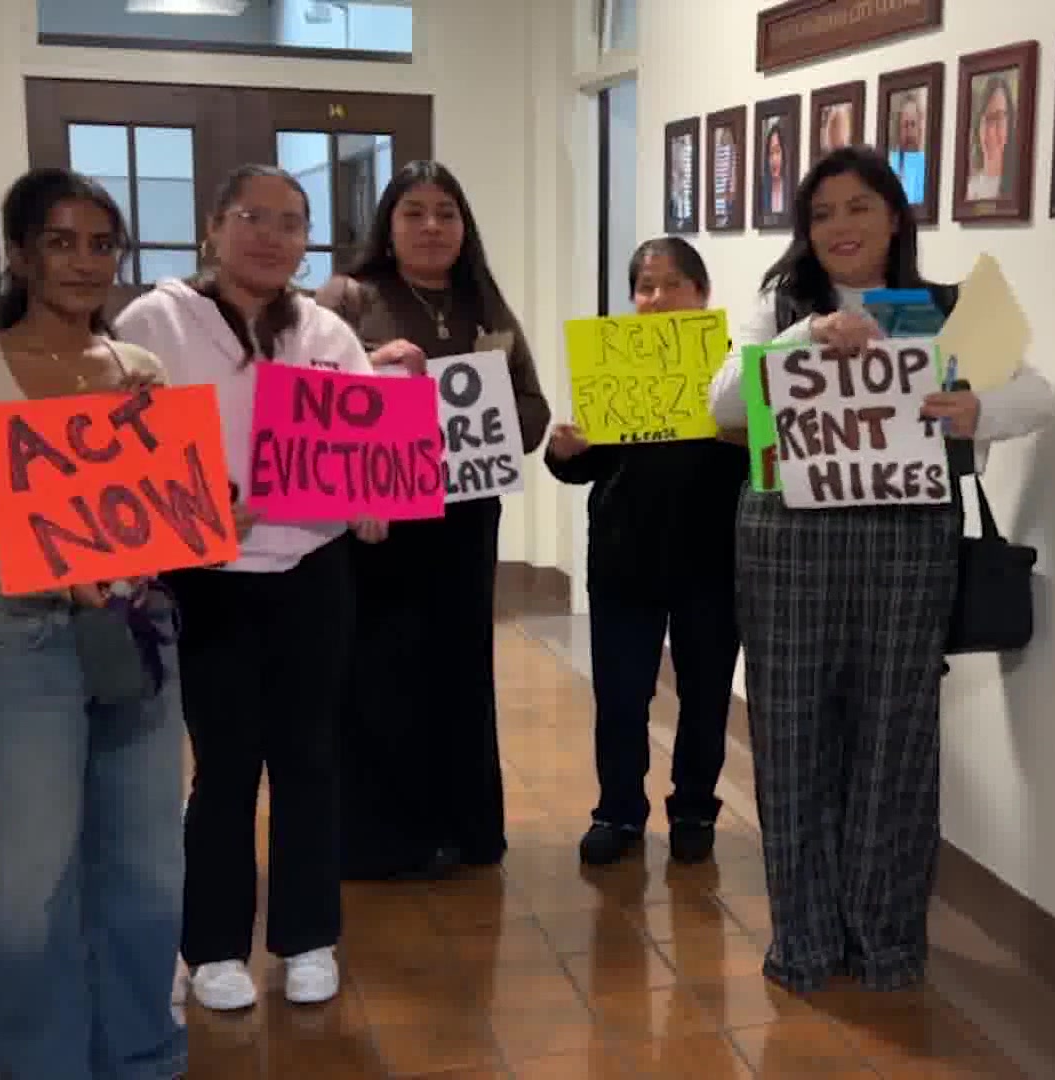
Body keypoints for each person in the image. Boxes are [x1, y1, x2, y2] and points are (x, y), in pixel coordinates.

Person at [707, 145, 1055, 994]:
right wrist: (805, 338)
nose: (841, 227)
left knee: (895, 736)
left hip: (907, 541)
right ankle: (805, 940)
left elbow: (1040, 394)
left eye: (859, 206)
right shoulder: (780, 304)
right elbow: (722, 405)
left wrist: (979, 408)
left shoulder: (942, 310)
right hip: (789, 540)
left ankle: (886, 941)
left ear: (894, 217)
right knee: (793, 734)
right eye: (822, 213)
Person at [0, 167, 188, 1079]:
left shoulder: (140, 370)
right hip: (28, 646)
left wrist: (212, 514)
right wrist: (44, 568)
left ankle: (141, 1056)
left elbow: (161, 512)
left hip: (141, 635)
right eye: (61, 242)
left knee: (147, 873)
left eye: (102, 244)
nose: (84, 261)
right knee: (30, 892)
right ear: (20, 255)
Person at [115, 164, 395, 1011]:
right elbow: (122, 449)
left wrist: (374, 499)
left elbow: (368, 443)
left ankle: (309, 936)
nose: (271, 236)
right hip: (207, 581)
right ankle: (213, 947)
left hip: (312, 571)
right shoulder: (154, 322)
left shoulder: (325, 331)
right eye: (253, 217)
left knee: (309, 758)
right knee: (226, 764)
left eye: (290, 222)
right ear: (214, 226)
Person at [316, 160, 551, 880]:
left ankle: (464, 830)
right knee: (378, 674)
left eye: (446, 212)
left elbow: (533, 408)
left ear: (464, 226)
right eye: (413, 212)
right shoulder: (348, 296)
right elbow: (309, 391)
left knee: (459, 670)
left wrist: (487, 420)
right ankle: (382, 840)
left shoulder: (485, 302)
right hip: (377, 525)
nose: (431, 227)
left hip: (466, 521)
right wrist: (375, 371)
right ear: (387, 225)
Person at [544, 237, 746, 867]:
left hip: (712, 564)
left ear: (702, 294)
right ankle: (618, 811)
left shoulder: (733, 374)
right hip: (623, 562)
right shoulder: (615, 366)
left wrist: (741, 434)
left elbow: (766, 461)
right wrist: (563, 451)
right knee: (621, 697)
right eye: (645, 287)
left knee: (705, 695)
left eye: (672, 284)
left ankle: (694, 808)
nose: (657, 298)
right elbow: (583, 467)